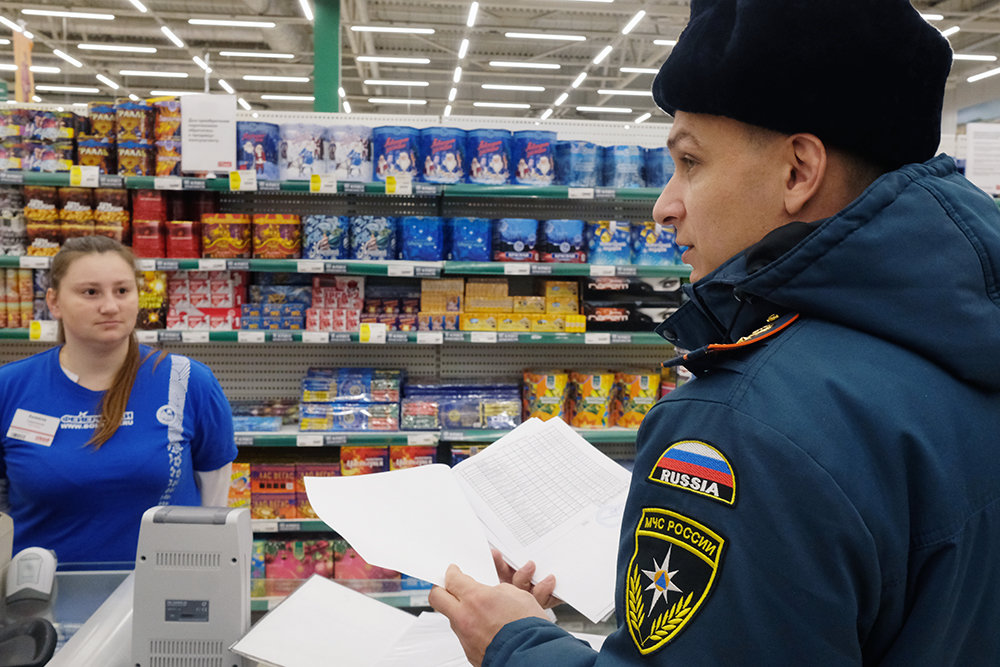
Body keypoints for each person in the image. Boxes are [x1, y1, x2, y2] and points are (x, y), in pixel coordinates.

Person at [430, 0, 1000, 664]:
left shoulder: (743, 426)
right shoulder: (966, 349)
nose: (665, 205)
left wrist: (514, 641)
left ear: (798, 172)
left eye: (690, 163)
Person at [0, 236, 237, 564]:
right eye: (90, 292)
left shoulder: (189, 382)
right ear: (53, 302)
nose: (110, 306)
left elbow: (214, 511)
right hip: (38, 602)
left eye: (122, 291)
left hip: (163, 597)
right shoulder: (9, 387)